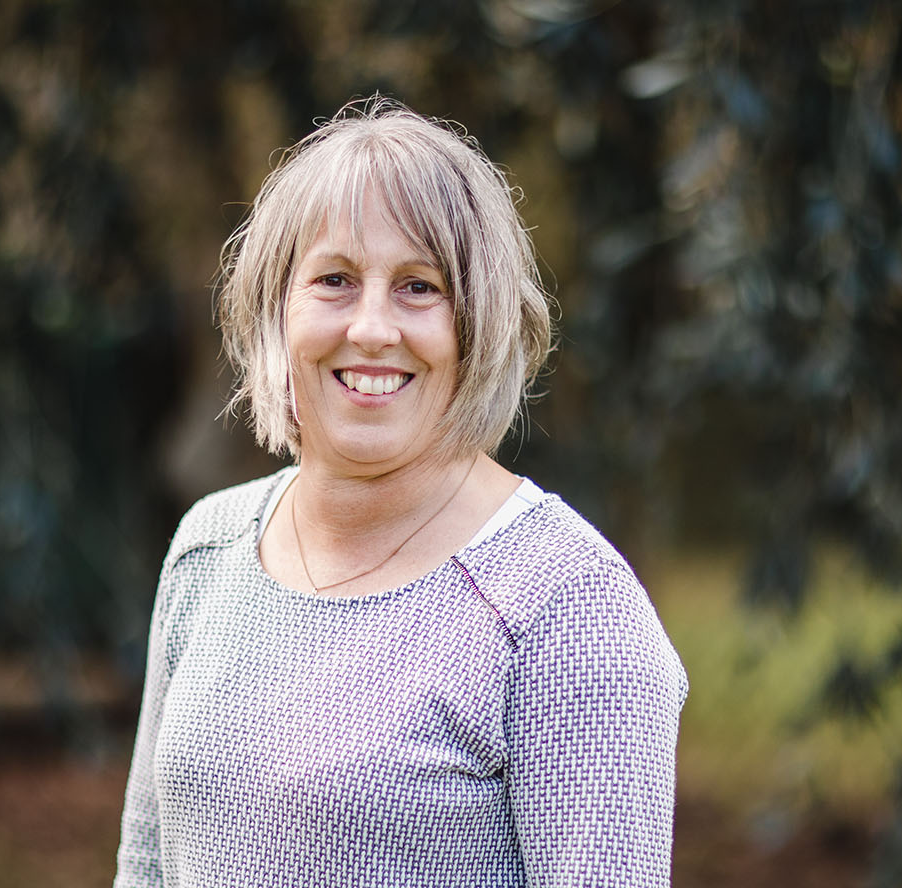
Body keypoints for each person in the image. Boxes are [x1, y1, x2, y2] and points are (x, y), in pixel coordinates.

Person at [114, 96, 687, 888]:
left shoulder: (568, 611)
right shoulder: (208, 550)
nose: (374, 327)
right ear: (276, 309)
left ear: (477, 324)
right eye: (336, 280)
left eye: (420, 287)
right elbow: (146, 868)